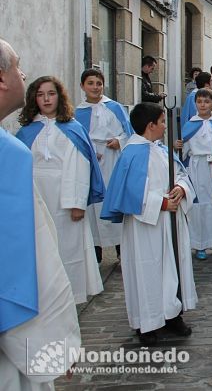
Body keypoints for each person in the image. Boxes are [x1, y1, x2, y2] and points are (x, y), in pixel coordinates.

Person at [0, 39, 81, 389]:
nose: (22, 74)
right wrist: (54, 346)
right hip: (14, 337)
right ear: (1, 79)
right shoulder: (9, 154)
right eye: (17, 66)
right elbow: (28, 258)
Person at [101, 102, 198, 345]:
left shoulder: (162, 150)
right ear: (150, 125)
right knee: (148, 272)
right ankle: (147, 323)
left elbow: (182, 174)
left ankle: (172, 315)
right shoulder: (132, 154)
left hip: (171, 222)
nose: (166, 126)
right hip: (146, 226)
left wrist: (180, 189)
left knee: (174, 267)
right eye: (162, 122)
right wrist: (162, 204)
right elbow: (131, 194)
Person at [16, 76, 105, 304]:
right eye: (40, 94)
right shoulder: (27, 131)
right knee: (41, 247)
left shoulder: (72, 128)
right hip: (36, 196)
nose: (46, 99)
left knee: (68, 247)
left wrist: (77, 203)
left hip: (64, 197)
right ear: (33, 99)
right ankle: (44, 297)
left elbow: (79, 166)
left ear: (60, 96)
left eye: (51, 93)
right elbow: (19, 167)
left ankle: (70, 296)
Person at [76, 69, 134, 263]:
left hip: (113, 158)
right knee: (93, 206)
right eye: (90, 83)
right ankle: (96, 251)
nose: (95, 87)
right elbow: (76, 139)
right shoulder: (77, 112)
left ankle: (120, 249)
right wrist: (91, 151)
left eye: (98, 83)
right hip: (91, 163)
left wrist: (119, 141)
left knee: (114, 199)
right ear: (83, 86)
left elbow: (129, 132)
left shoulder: (114, 107)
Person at [175, 88, 212, 261]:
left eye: (206, 102)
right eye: (199, 101)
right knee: (198, 207)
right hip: (196, 169)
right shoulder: (190, 124)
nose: (203, 105)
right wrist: (179, 146)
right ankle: (200, 244)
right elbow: (184, 149)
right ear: (195, 104)